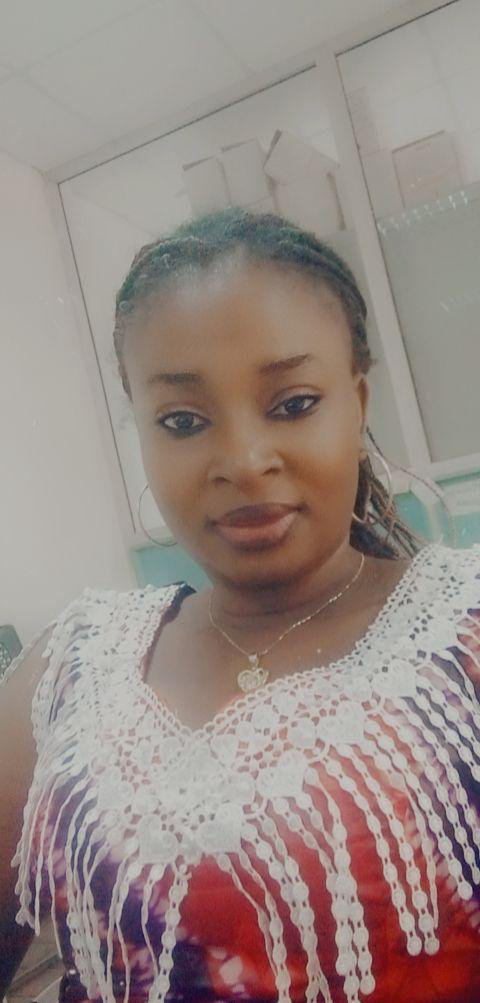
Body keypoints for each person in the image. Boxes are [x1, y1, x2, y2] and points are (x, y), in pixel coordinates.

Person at [1, 207, 480, 1003]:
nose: (244, 460)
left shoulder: (461, 629)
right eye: (183, 421)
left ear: (358, 402)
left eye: (293, 403)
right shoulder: (73, 667)